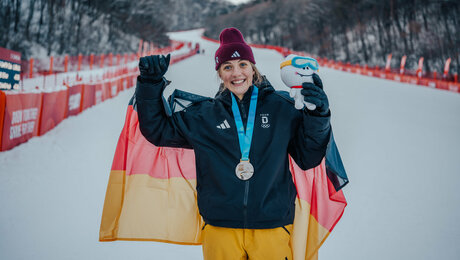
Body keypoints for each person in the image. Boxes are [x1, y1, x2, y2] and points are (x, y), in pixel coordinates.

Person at [135, 27, 331, 260]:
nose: (236, 73)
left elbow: (308, 157)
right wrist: (149, 85)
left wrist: (319, 115)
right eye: (227, 67)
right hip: (220, 228)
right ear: (219, 73)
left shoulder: (283, 108)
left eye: (242, 65)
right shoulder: (204, 116)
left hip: (273, 225)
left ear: (252, 68)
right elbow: (157, 130)